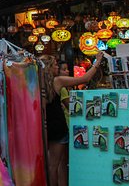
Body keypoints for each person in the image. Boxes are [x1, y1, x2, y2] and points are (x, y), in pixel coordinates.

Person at [39, 52, 103, 186]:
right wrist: (97, 62)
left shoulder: (34, 83)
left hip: (42, 127)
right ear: (49, 67)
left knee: (49, 165)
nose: (57, 67)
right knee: (55, 166)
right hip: (58, 128)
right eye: (55, 65)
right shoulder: (57, 81)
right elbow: (85, 78)